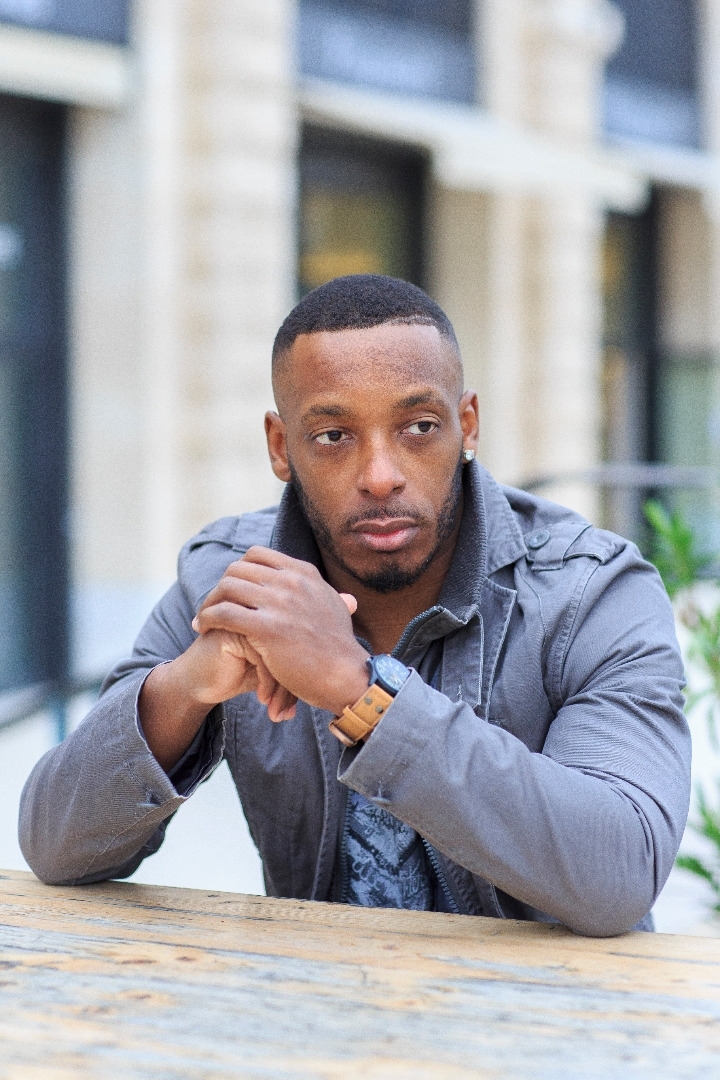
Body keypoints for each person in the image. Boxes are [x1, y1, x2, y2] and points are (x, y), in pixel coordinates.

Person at [19, 275, 690, 936]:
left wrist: (361, 691)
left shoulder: (592, 593)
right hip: (323, 1000)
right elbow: (55, 846)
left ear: (467, 425)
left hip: (554, 1004)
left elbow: (620, 872)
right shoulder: (227, 583)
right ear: (281, 447)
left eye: (419, 427)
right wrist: (184, 688)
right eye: (333, 436)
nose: (380, 476)